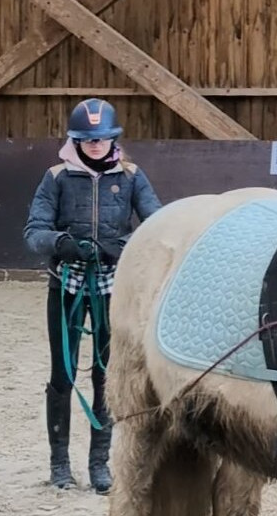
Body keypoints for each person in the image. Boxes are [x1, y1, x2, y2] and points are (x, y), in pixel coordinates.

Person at [23, 98, 163, 493]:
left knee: (106, 374)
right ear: (76, 140)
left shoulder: (132, 176)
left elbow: (158, 223)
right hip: (67, 284)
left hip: (112, 289)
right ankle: (59, 464)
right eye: (88, 139)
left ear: (112, 138)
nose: (96, 145)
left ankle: (100, 465)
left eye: (102, 138)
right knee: (62, 374)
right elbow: (34, 231)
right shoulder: (56, 177)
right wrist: (63, 243)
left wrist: (122, 246)